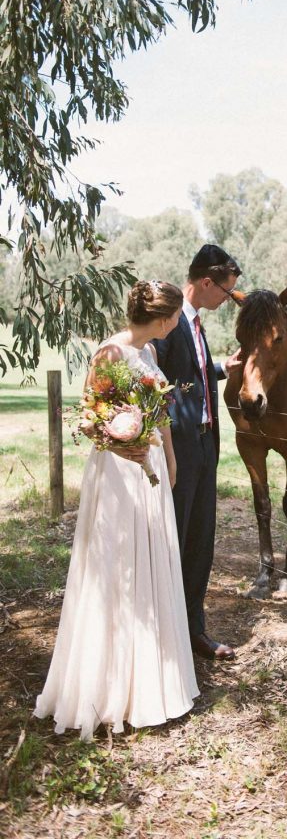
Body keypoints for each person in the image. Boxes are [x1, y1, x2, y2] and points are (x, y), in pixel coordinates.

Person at [34, 281, 199, 741]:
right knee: (116, 566)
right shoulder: (109, 353)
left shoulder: (150, 353)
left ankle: (151, 680)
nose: (176, 324)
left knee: (151, 562)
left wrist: (170, 458)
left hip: (151, 468)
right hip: (118, 473)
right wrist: (120, 443)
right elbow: (89, 417)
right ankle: (107, 687)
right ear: (164, 319)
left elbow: (160, 412)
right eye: (175, 317)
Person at [155, 244, 242, 660]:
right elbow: (155, 383)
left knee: (201, 541)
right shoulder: (169, 324)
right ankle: (165, 634)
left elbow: (190, 376)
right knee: (176, 538)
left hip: (207, 445)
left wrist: (222, 368)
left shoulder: (195, 323)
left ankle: (194, 631)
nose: (227, 300)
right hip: (178, 450)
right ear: (206, 283)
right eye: (226, 292)